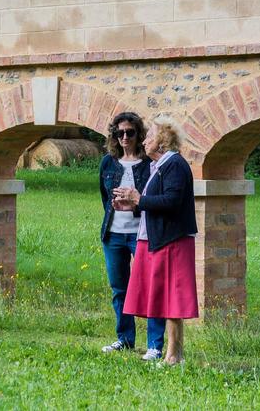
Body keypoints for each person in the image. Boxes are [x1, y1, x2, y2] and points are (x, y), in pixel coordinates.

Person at [114, 115, 199, 365]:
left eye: (150, 136)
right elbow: (155, 204)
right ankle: (175, 355)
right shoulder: (161, 166)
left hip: (172, 241)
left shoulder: (175, 165)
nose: (145, 140)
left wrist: (138, 198)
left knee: (173, 299)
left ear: (162, 142)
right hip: (160, 239)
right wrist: (131, 206)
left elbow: (172, 201)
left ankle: (173, 355)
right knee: (167, 299)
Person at [99, 112, 165, 360]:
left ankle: (154, 344)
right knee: (119, 288)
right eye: (119, 133)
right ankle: (125, 339)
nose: (124, 137)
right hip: (113, 233)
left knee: (149, 288)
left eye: (130, 132)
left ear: (139, 134)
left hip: (142, 234)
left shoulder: (149, 164)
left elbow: (153, 198)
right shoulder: (108, 163)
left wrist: (135, 202)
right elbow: (105, 199)